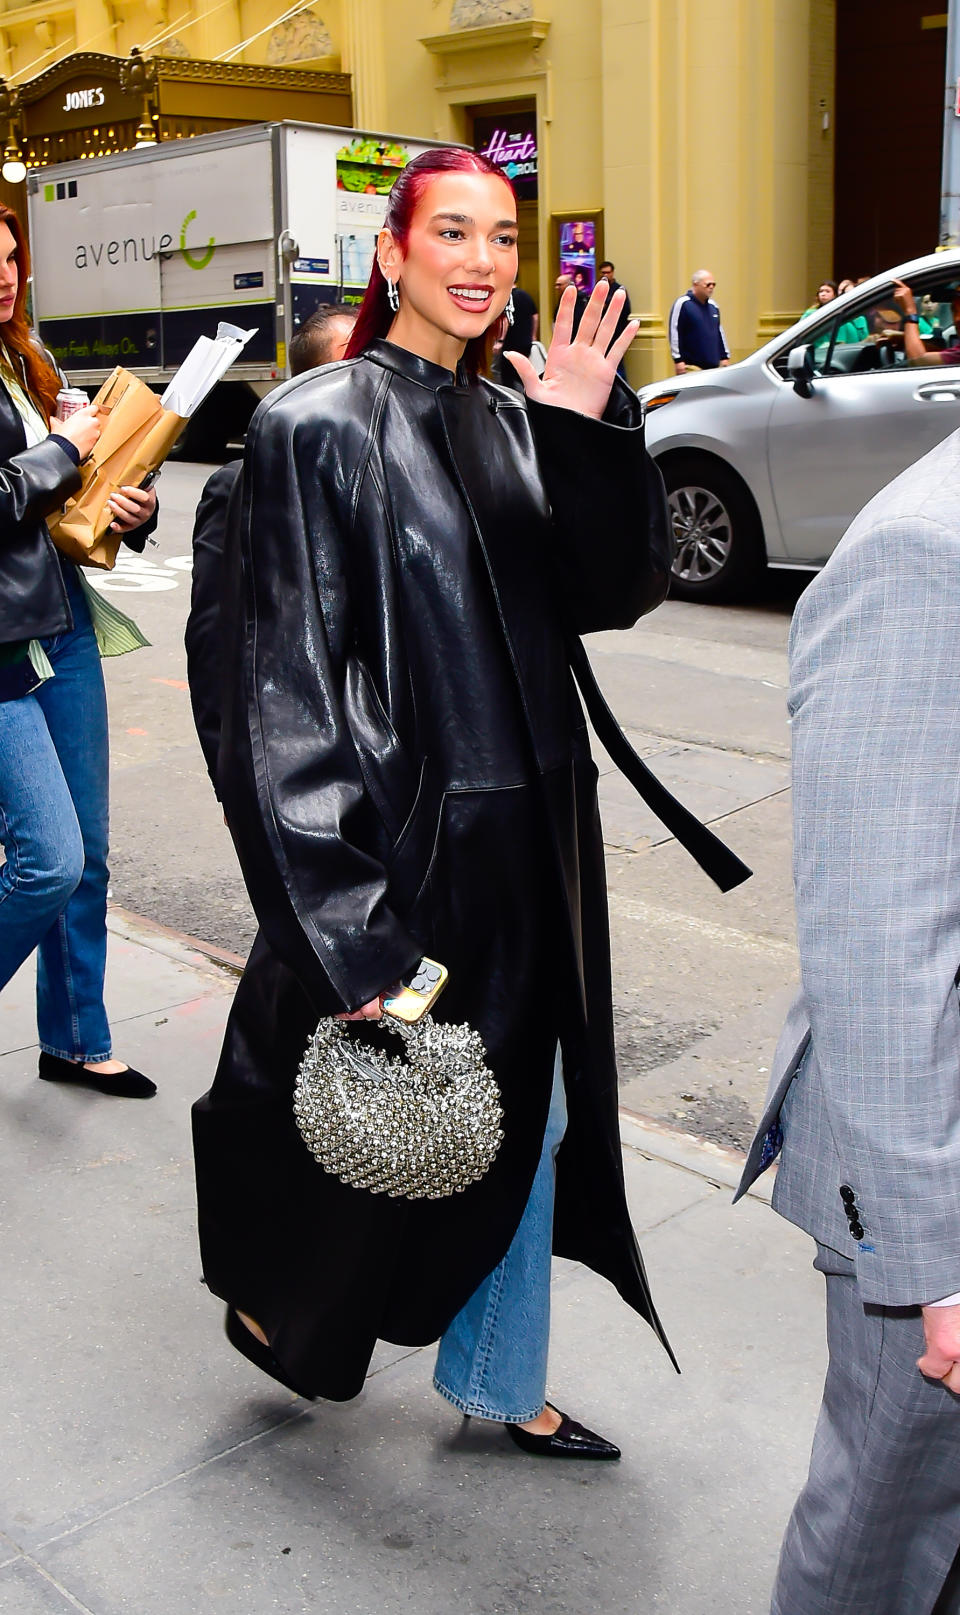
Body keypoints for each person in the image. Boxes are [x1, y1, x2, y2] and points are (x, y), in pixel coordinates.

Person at [192, 146, 687, 1455]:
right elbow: (280, 694)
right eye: (453, 232)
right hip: (410, 863)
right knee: (369, 1125)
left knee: (532, 1113)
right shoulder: (317, 423)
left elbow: (611, 587)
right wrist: (351, 926)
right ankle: (283, 1302)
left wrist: (585, 428)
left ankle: (490, 1372)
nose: (482, 261)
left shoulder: (515, 415)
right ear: (394, 254)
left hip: (532, 844)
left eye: (505, 237)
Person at [736, 430, 960, 1612]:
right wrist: (937, 1261)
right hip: (936, 1174)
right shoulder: (926, 551)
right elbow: (879, 945)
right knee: (887, 1540)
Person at [0, 204, 159, 1100]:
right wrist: (63, 447)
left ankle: (74, 1036)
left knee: (85, 849)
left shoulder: (30, 357)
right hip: (3, 641)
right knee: (44, 856)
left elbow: (68, 504)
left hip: (61, 618)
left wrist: (129, 508)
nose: (5, 273)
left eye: (13, 255)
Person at [185, 302, 357, 793]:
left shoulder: (399, 473)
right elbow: (215, 638)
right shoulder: (244, 486)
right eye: (349, 363)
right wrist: (231, 770)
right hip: (305, 762)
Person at [668, 270, 730, 373]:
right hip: (691, 366)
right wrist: (678, 360)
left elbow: (719, 332)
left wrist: (724, 357)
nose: (711, 287)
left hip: (713, 367)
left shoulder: (713, 306)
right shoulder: (683, 304)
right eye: (708, 284)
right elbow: (674, 331)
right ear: (695, 284)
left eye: (713, 284)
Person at [598, 261, 633, 378]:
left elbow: (626, 311)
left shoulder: (619, 289)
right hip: (602, 333)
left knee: (617, 362)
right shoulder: (598, 290)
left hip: (616, 332)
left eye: (608, 272)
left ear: (612, 273)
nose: (605, 275)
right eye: (603, 273)